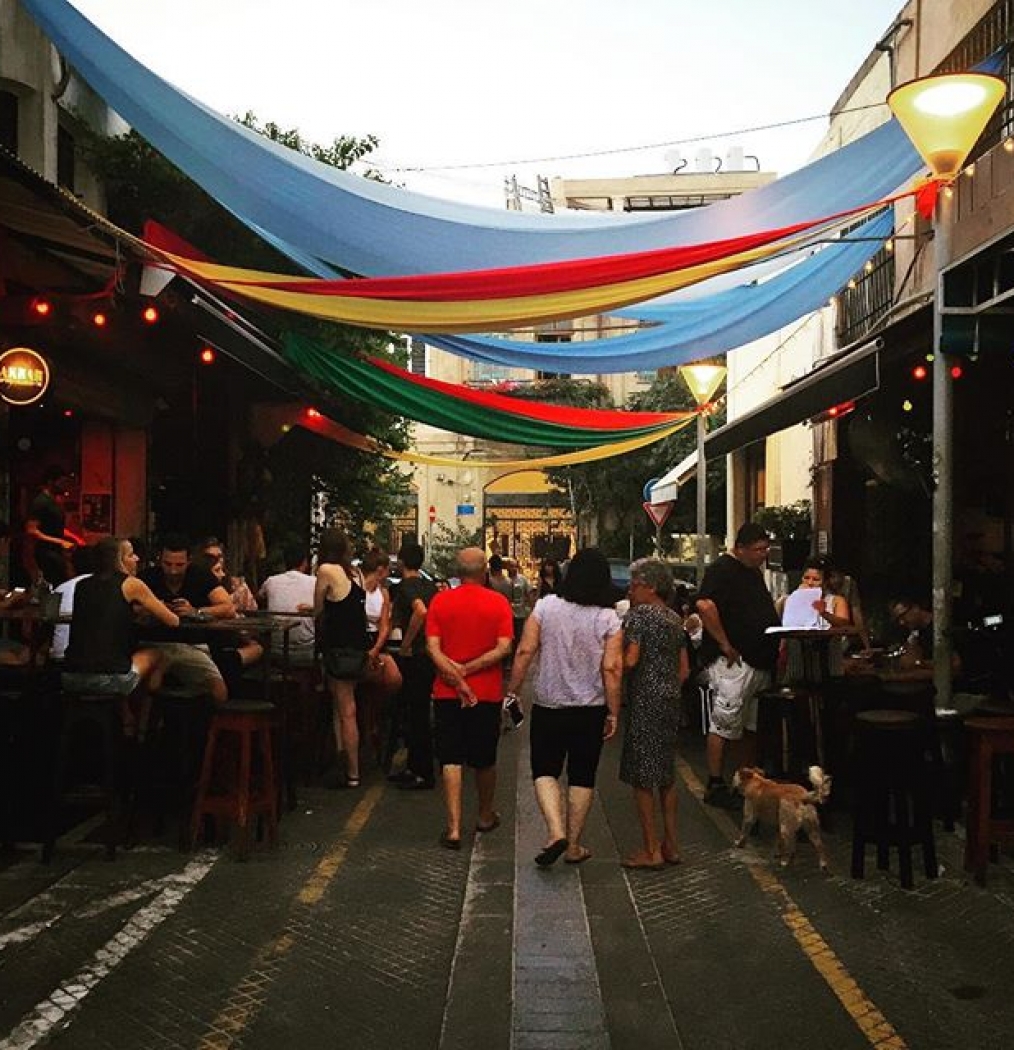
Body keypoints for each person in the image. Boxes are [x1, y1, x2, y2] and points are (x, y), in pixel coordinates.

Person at [504, 547, 623, 867]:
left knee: (545, 769)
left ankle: (555, 831)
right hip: (590, 707)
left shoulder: (545, 607)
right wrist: (613, 710)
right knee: (582, 775)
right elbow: (612, 668)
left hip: (548, 703)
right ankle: (572, 845)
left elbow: (525, 651)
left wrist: (512, 691)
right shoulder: (608, 617)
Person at [426, 547, 513, 849]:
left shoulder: (440, 601)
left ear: (458, 573)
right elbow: (504, 648)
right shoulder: (498, 603)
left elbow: (433, 648)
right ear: (484, 572)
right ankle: (485, 815)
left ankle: (452, 827)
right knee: (484, 758)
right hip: (486, 692)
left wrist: (455, 674)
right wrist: (471, 669)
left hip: (446, 691)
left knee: (450, 757)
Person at [695, 522, 780, 808]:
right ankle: (716, 782)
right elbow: (705, 605)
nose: (763, 555)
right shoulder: (722, 570)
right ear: (740, 548)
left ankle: (745, 781)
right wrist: (725, 644)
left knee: (749, 724)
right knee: (725, 720)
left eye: (765, 549)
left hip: (757, 660)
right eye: (758, 550)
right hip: (736, 661)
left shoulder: (753, 572)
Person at [64, 536, 180, 735]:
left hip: (70, 676)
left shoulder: (82, 585)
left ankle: (126, 717)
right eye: (130, 554)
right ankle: (144, 732)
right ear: (118, 560)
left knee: (119, 658)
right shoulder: (132, 584)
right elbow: (172, 621)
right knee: (159, 655)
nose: (136, 559)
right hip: (110, 680)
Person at [620, 558, 689, 869]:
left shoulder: (639, 617)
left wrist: (610, 665)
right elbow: (684, 669)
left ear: (649, 586)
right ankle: (671, 844)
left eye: (634, 585)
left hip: (645, 701)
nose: (630, 591)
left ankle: (651, 849)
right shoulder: (674, 619)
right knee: (666, 774)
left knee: (643, 777)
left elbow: (631, 660)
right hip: (671, 699)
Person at [140, 536, 230, 703]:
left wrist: (195, 611)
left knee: (219, 692)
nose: (173, 570)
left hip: (191, 645)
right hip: (153, 643)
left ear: (188, 562)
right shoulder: (147, 577)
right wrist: (155, 608)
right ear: (160, 560)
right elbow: (131, 608)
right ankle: (145, 726)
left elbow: (227, 606)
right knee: (148, 684)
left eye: (179, 565)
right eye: (167, 564)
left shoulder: (200, 575)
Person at [315, 529, 370, 788]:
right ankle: (343, 764)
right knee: (344, 707)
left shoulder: (325, 570)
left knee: (346, 710)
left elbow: (318, 609)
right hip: (359, 648)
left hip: (338, 649)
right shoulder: (356, 573)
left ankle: (352, 771)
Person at [390, 541, 438, 789]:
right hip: (431, 654)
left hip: (416, 655)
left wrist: (407, 644)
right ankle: (414, 766)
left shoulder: (407, 587)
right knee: (420, 712)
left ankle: (422, 771)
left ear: (401, 561)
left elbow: (420, 612)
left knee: (416, 713)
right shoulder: (431, 586)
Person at [775, 557, 851, 683]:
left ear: (825, 582)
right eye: (806, 578)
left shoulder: (837, 600)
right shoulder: (789, 600)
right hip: (797, 665)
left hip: (828, 664)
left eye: (816, 579)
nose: (810, 583)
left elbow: (844, 623)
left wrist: (824, 613)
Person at [259, 543, 316, 665]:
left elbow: (259, 598)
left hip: (274, 650)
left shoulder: (271, 581)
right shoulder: (314, 582)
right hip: (306, 651)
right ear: (305, 562)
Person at [24, 465, 75, 586]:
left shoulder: (53, 501)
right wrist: (59, 541)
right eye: (61, 482)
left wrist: (70, 538)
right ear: (51, 482)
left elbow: (53, 527)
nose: (64, 485)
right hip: (46, 552)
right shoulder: (41, 502)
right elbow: (31, 530)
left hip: (55, 551)